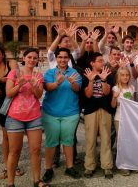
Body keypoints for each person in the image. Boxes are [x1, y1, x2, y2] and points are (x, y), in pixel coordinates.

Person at [5, 48, 48, 187]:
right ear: (23, 58)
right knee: (14, 151)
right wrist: (20, 84)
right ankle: (10, 183)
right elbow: (9, 94)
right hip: (15, 117)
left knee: (35, 150)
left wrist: (35, 86)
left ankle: (37, 180)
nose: (32, 60)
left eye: (35, 58)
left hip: (34, 116)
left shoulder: (38, 75)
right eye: (29, 57)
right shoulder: (14, 73)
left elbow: (39, 95)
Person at [42, 48, 82, 183]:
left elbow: (77, 90)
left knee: (68, 140)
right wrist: (57, 83)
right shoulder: (50, 72)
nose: (63, 60)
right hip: (51, 112)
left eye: (65, 57)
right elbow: (47, 87)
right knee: (51, 141)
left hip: (70, 113)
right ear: (56, 58)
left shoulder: (74, 73)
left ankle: (69, 167)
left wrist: (72, 82)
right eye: (60, 57)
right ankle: (48, 168)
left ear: (69, 59)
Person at [0, 44, 24, 180]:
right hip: (3, 103)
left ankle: (15, 164)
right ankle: (7, 166)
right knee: (6, 136)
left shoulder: (12, 63)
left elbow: (14, 78)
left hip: (17, 101)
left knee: (17, 136)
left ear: (3, 55)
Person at [82, 52, 114, 179]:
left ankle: (107, 166)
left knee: (106, 139)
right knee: (90, 139)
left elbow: (106, 92)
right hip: (91, 110)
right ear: (92, 63)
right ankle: (89, 166)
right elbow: (88, 94)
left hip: (105, 109)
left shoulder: (108, 75)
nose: (102, 62)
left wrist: (104, 79)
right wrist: (90, 81)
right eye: (100, 60)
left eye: (103, 60)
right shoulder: (86, 76)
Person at [111, 66, 135, 176]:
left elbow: (134, 104)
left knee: (129, 141)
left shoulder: (132, 88)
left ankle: (130, 163)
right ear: (119, 77)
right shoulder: (116, 88)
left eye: (127, 75)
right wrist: (114, 98)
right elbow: (113, 105)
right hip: (119, 118)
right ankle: (122, 164)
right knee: (121, 141)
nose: (125, 77)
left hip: (130, 119)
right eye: (123, 75)